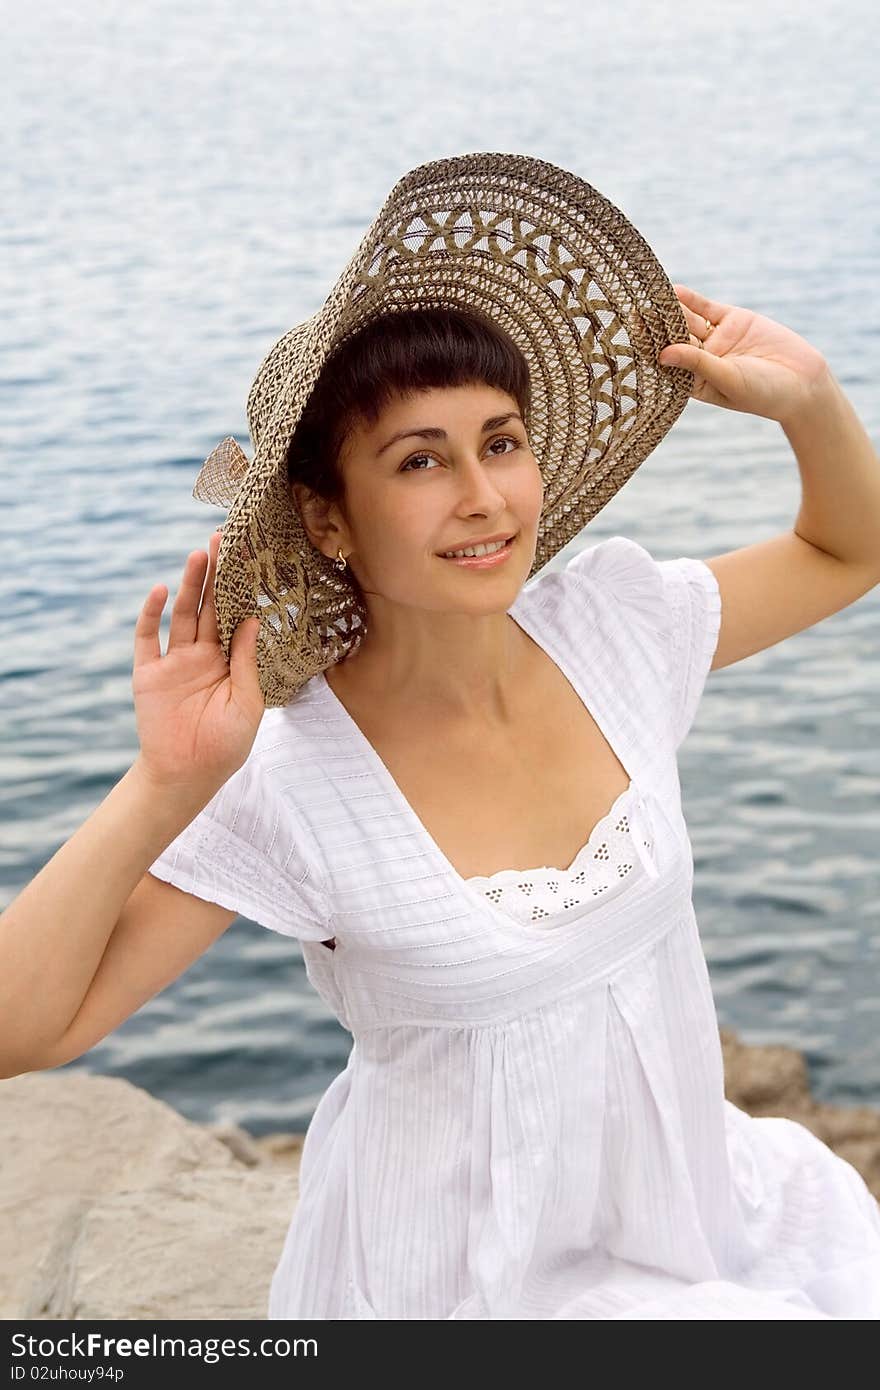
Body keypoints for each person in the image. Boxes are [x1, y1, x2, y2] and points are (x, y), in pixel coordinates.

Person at [2, 153, 880, 1319]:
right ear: (328, 514)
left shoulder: (615, 624)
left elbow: (846, 550)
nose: (485, 496)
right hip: (455, 1285)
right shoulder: (297, 770)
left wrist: (811, 401)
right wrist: (165, 780)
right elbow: (27, 1028)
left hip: (689, 1220)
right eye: (421, 459)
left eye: (501, 441)